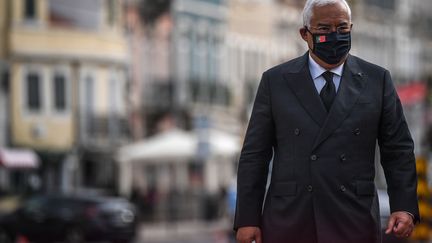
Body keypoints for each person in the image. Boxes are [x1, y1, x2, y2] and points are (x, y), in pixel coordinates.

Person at [233, 0, 420, 242]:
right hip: (291, 217)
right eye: (324, 29)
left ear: (351, 28)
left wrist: (404, 206)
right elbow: (254, 155)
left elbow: (398, 149)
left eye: (342, 29)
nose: (334, 36)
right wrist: (248, 219)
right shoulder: (275, 81)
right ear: (305, 34)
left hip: (354, 216)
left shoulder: (377, 79)